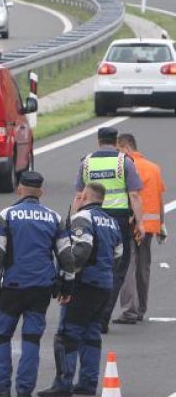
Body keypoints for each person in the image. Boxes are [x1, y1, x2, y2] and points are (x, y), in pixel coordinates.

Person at [0, 171, 74, 397]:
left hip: (13, 286)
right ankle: (24, 390)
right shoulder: (54, 217)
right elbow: (67, 257)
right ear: (41, 191)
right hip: (41, 287)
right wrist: (67, 286)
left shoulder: (7, 215)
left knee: (1, 335)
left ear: (19, 189)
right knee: (31, 338)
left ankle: (1, 388)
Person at [38, 183, 122, 397]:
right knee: (91, 332)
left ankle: (63, 383)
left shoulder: (83, 218)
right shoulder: (112, 222)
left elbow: (82, 248)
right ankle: (88, 382)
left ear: (84, 196)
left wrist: (67, 276)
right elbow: (119, 255)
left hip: (84, 284)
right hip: (105, 284)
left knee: (67, 333)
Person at [72, 126, 143, 333]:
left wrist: (74, 220)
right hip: (118, 218)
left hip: (89, 218)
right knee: (117, 267)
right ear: (115, 141)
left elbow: (79, 195)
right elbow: (135, 196)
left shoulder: (86, 162)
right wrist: (141, 222)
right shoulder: (124, 162)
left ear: (98, 141)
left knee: (88, 262)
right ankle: (102, 316)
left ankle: (87, 313)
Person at [113, 133, 166, 324]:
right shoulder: (154, 168)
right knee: (144, 267)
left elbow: (132, 196)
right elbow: (159, 199)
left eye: (119, 150)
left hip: (133, 224)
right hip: (150, 226)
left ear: (126, 148)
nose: (118, 154)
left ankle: (129, 310)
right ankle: (141, 308)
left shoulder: (128, 166)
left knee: (128, 265)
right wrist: (161, 224)